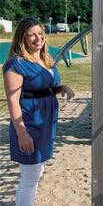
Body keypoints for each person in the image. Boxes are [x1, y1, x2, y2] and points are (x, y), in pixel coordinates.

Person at [3, 18, 75, 206]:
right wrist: (22, 133)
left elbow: (44, 86)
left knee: (37, 172)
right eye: (32, 34)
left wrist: (61, 88)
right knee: (29, 178)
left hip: (45, 122)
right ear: (22, 38)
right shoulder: (16, 64)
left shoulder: (44, 59)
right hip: (30, 123)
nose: (38, 38)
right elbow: (13, 99)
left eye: (40, 33)